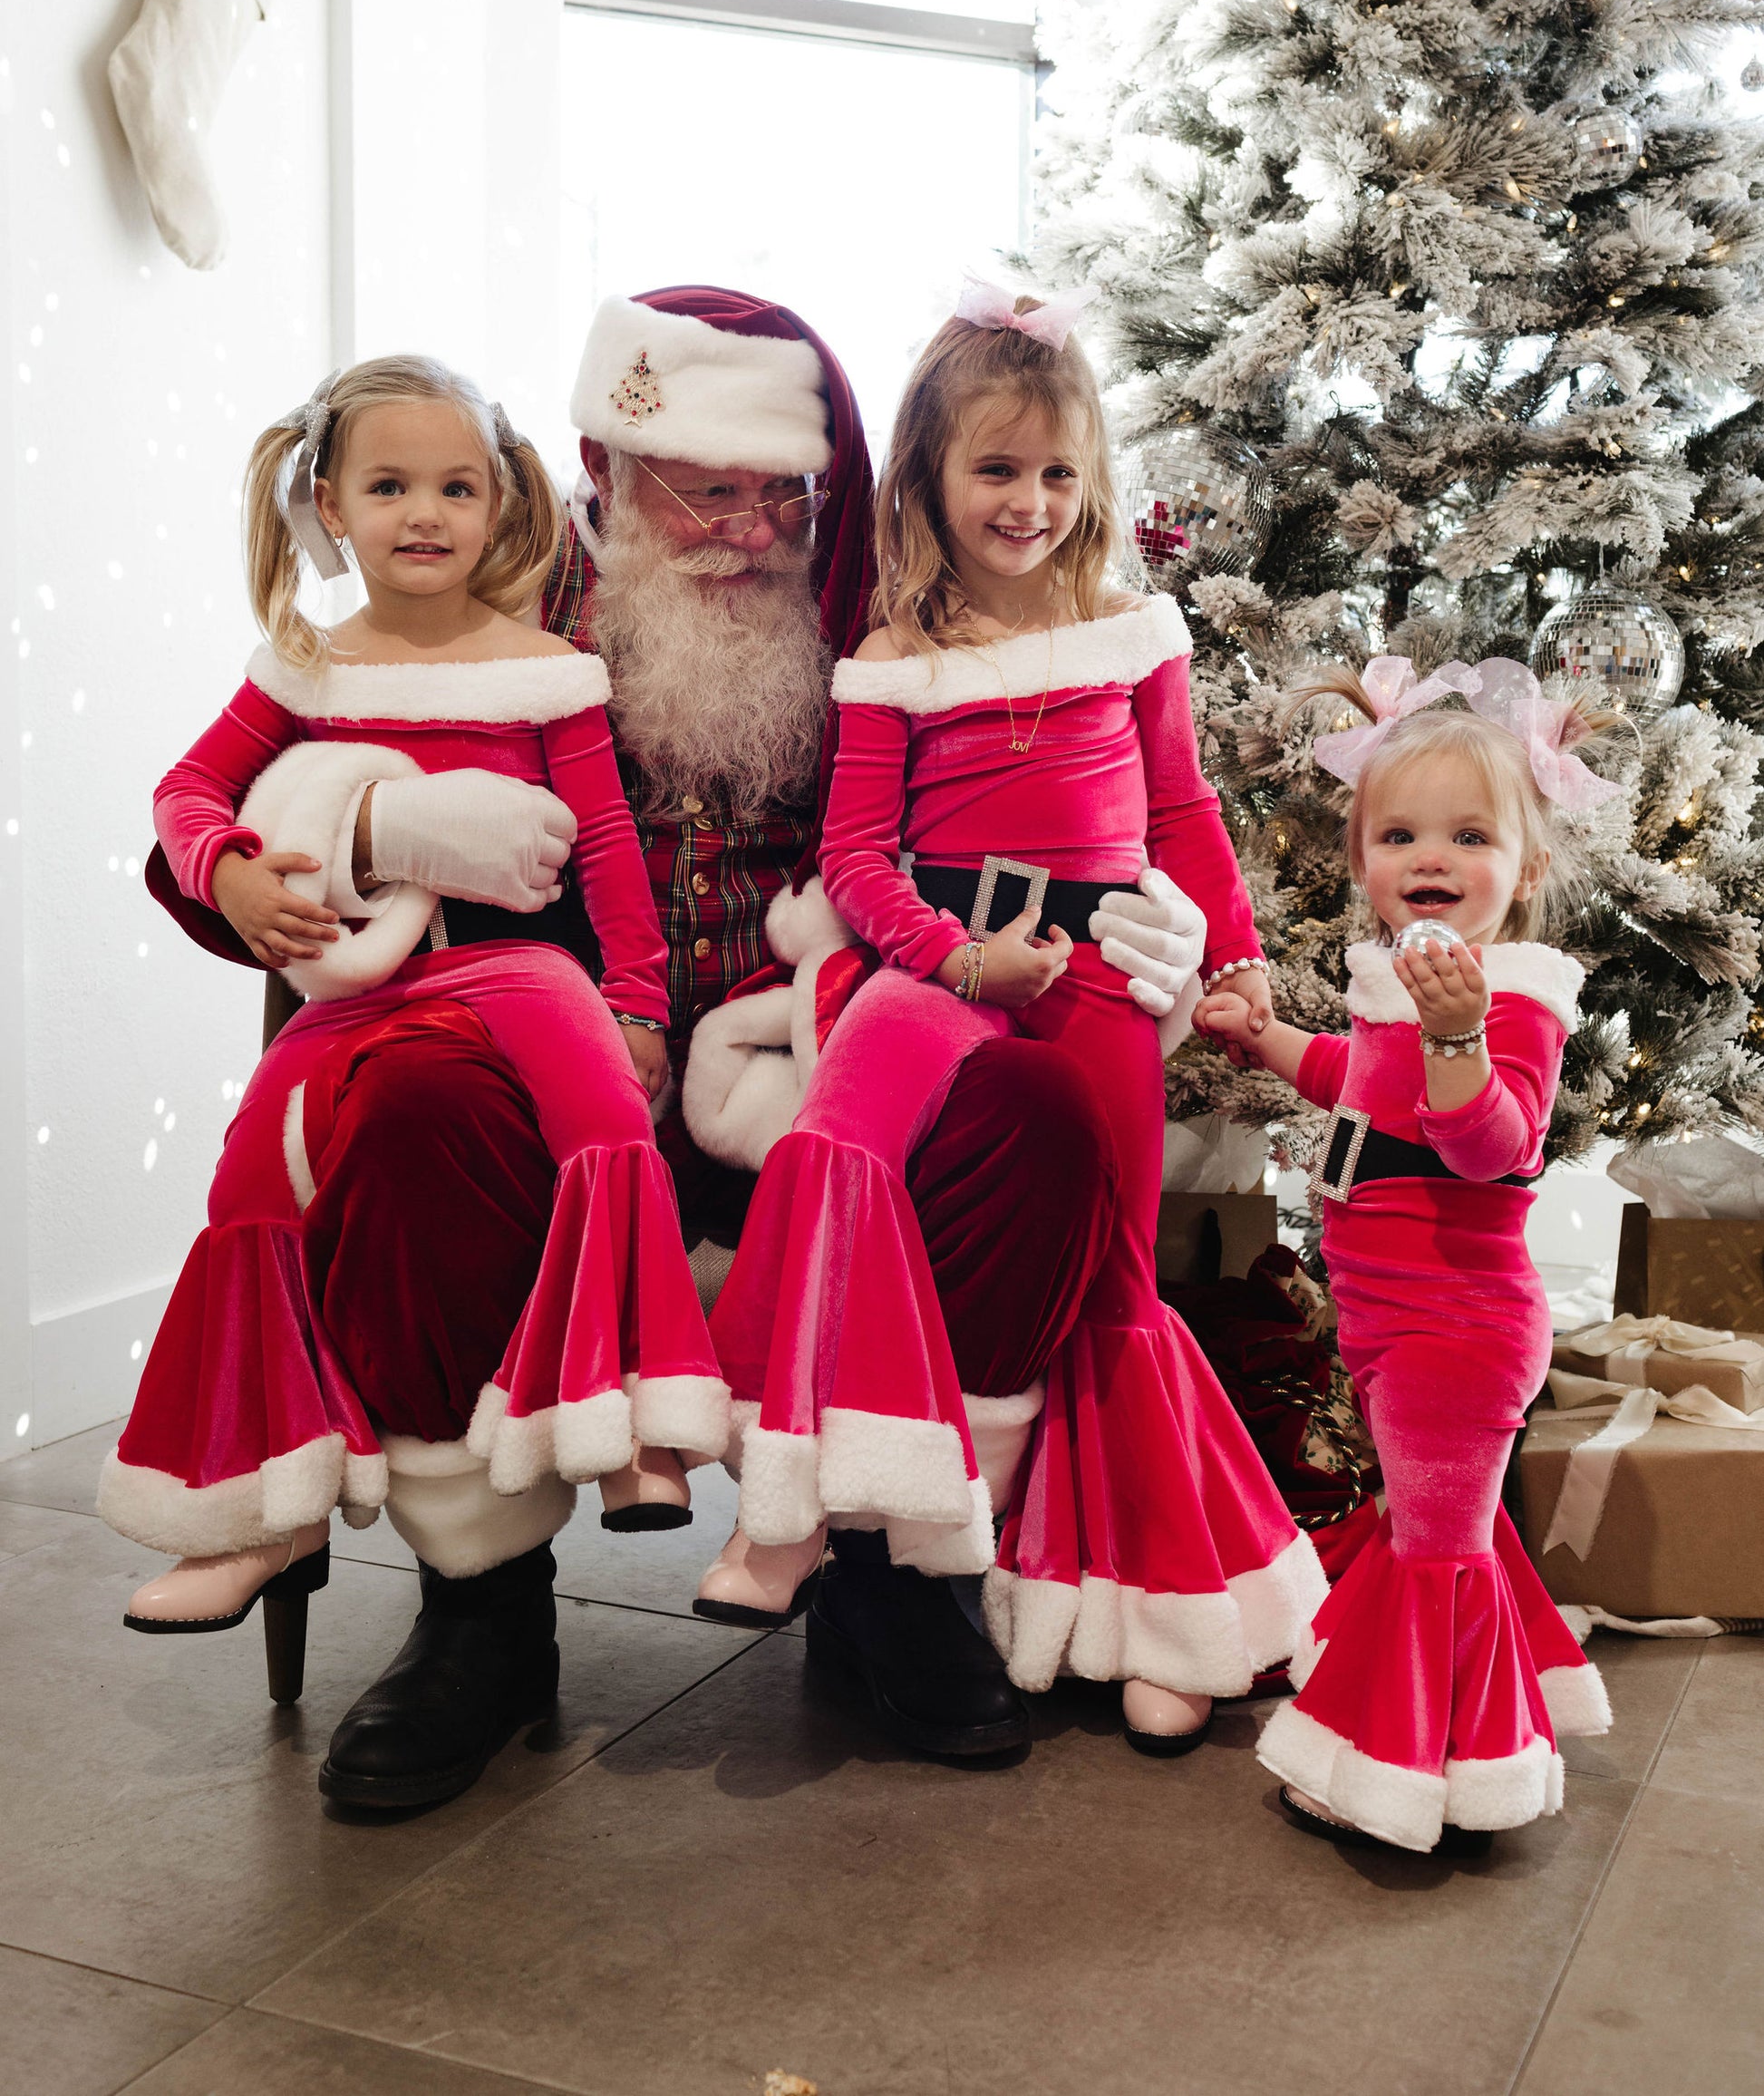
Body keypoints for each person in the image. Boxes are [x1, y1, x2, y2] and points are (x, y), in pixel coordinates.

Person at [137, 288, 1201, 1798]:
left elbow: (1076, 775)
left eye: (782, 493)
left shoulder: (882, 611)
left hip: (827, 1065)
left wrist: (1147, 916)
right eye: (707, 487)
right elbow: (230, 809)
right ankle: (484, 1609)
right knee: (415, 1106)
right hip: (554, 1081)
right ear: (606, 466)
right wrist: (362, 825)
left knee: (1028, 1108)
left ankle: (889, 1567)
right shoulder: (503, 609)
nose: (747, 529)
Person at [710, 284, 1327, 1757]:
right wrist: (948, 957)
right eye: (996, 469)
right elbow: (854, 854)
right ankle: (787, 1500)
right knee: (841, 1144)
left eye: (1059, 472)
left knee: (1108, 1276)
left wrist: (1231, 963)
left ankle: (1158, 1606)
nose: (1031, 502)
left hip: (1102, 964)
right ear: (927, 475)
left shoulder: (1127, 635)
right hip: (931, 961)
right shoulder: (892, 657)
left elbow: (1179, 807)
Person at [104, 355, 726, 1808]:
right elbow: (186, 798)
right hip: (363, 1000)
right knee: (254, 1171)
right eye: (389, 486)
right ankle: (268, 1496)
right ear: (330, 502)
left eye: (456, 486)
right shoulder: (305, 666)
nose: (425, 514)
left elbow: (610, 844)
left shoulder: (548, 670)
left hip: (520, 978)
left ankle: (633, 1421)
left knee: (599, 1120)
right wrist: (234, 870)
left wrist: (635, 1000)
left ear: (499, 500)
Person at [1194, 655, 1615, 1854]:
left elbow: (1494, 1147)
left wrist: (1456, 1038)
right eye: (1400, 834)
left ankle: (1423, 1771)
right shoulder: (1395, 991)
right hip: (1387, 1326)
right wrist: (1269, 1032)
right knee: (1439, 1535)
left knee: (1438, 1554)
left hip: (1457, 1333)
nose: (1430, 857)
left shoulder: (1506, 1001)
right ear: (1361, 859)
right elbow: (1352, 1087)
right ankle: (1412, 1738)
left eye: (1468, 835)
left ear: (1522, 869)